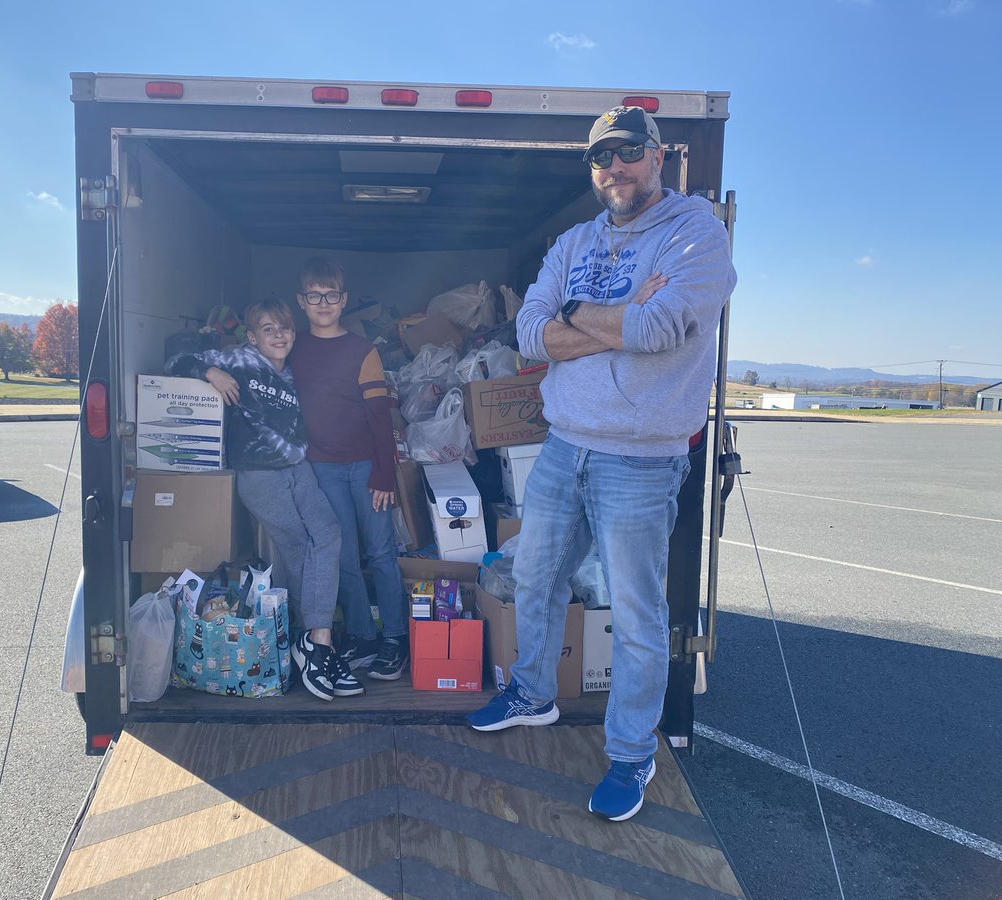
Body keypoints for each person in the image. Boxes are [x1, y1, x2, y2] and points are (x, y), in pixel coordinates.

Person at [466, 106, 737, 821]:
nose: (614, 167)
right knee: (535, 577)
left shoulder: (695, 233)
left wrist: (574, 316)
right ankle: (533, 694)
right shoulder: (575, 241)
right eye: (600, 157)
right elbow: (530, 334)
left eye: (627, 152)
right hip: (564, 446)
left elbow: (658, 327)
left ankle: (631, 753)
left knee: (637, 615)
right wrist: (607, 319)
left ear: (657, 157)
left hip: (640, 460)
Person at [165, 298, 362, 702]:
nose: (279, 335)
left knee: (328, 533)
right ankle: (319, 645)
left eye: (285, 328)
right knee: (297, 547)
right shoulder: (239, 360)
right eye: (268, 329)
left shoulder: (293, 371)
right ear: (253, 337)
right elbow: (174, 357)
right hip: (258, 473)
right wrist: (210, 371)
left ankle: (315, 643)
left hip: (298, 467)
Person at [288, 257, 410, 681]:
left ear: (344, 300)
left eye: (331, 295)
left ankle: (394, 638)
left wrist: (384, 474)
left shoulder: (363, 351)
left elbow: (380, 417)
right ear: (301, 301)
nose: (323, 303)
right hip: (322, 469)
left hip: (365, 469)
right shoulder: (293, 347)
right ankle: (362, 635)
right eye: (314, 295)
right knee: (340, 556)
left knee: (381, 553)